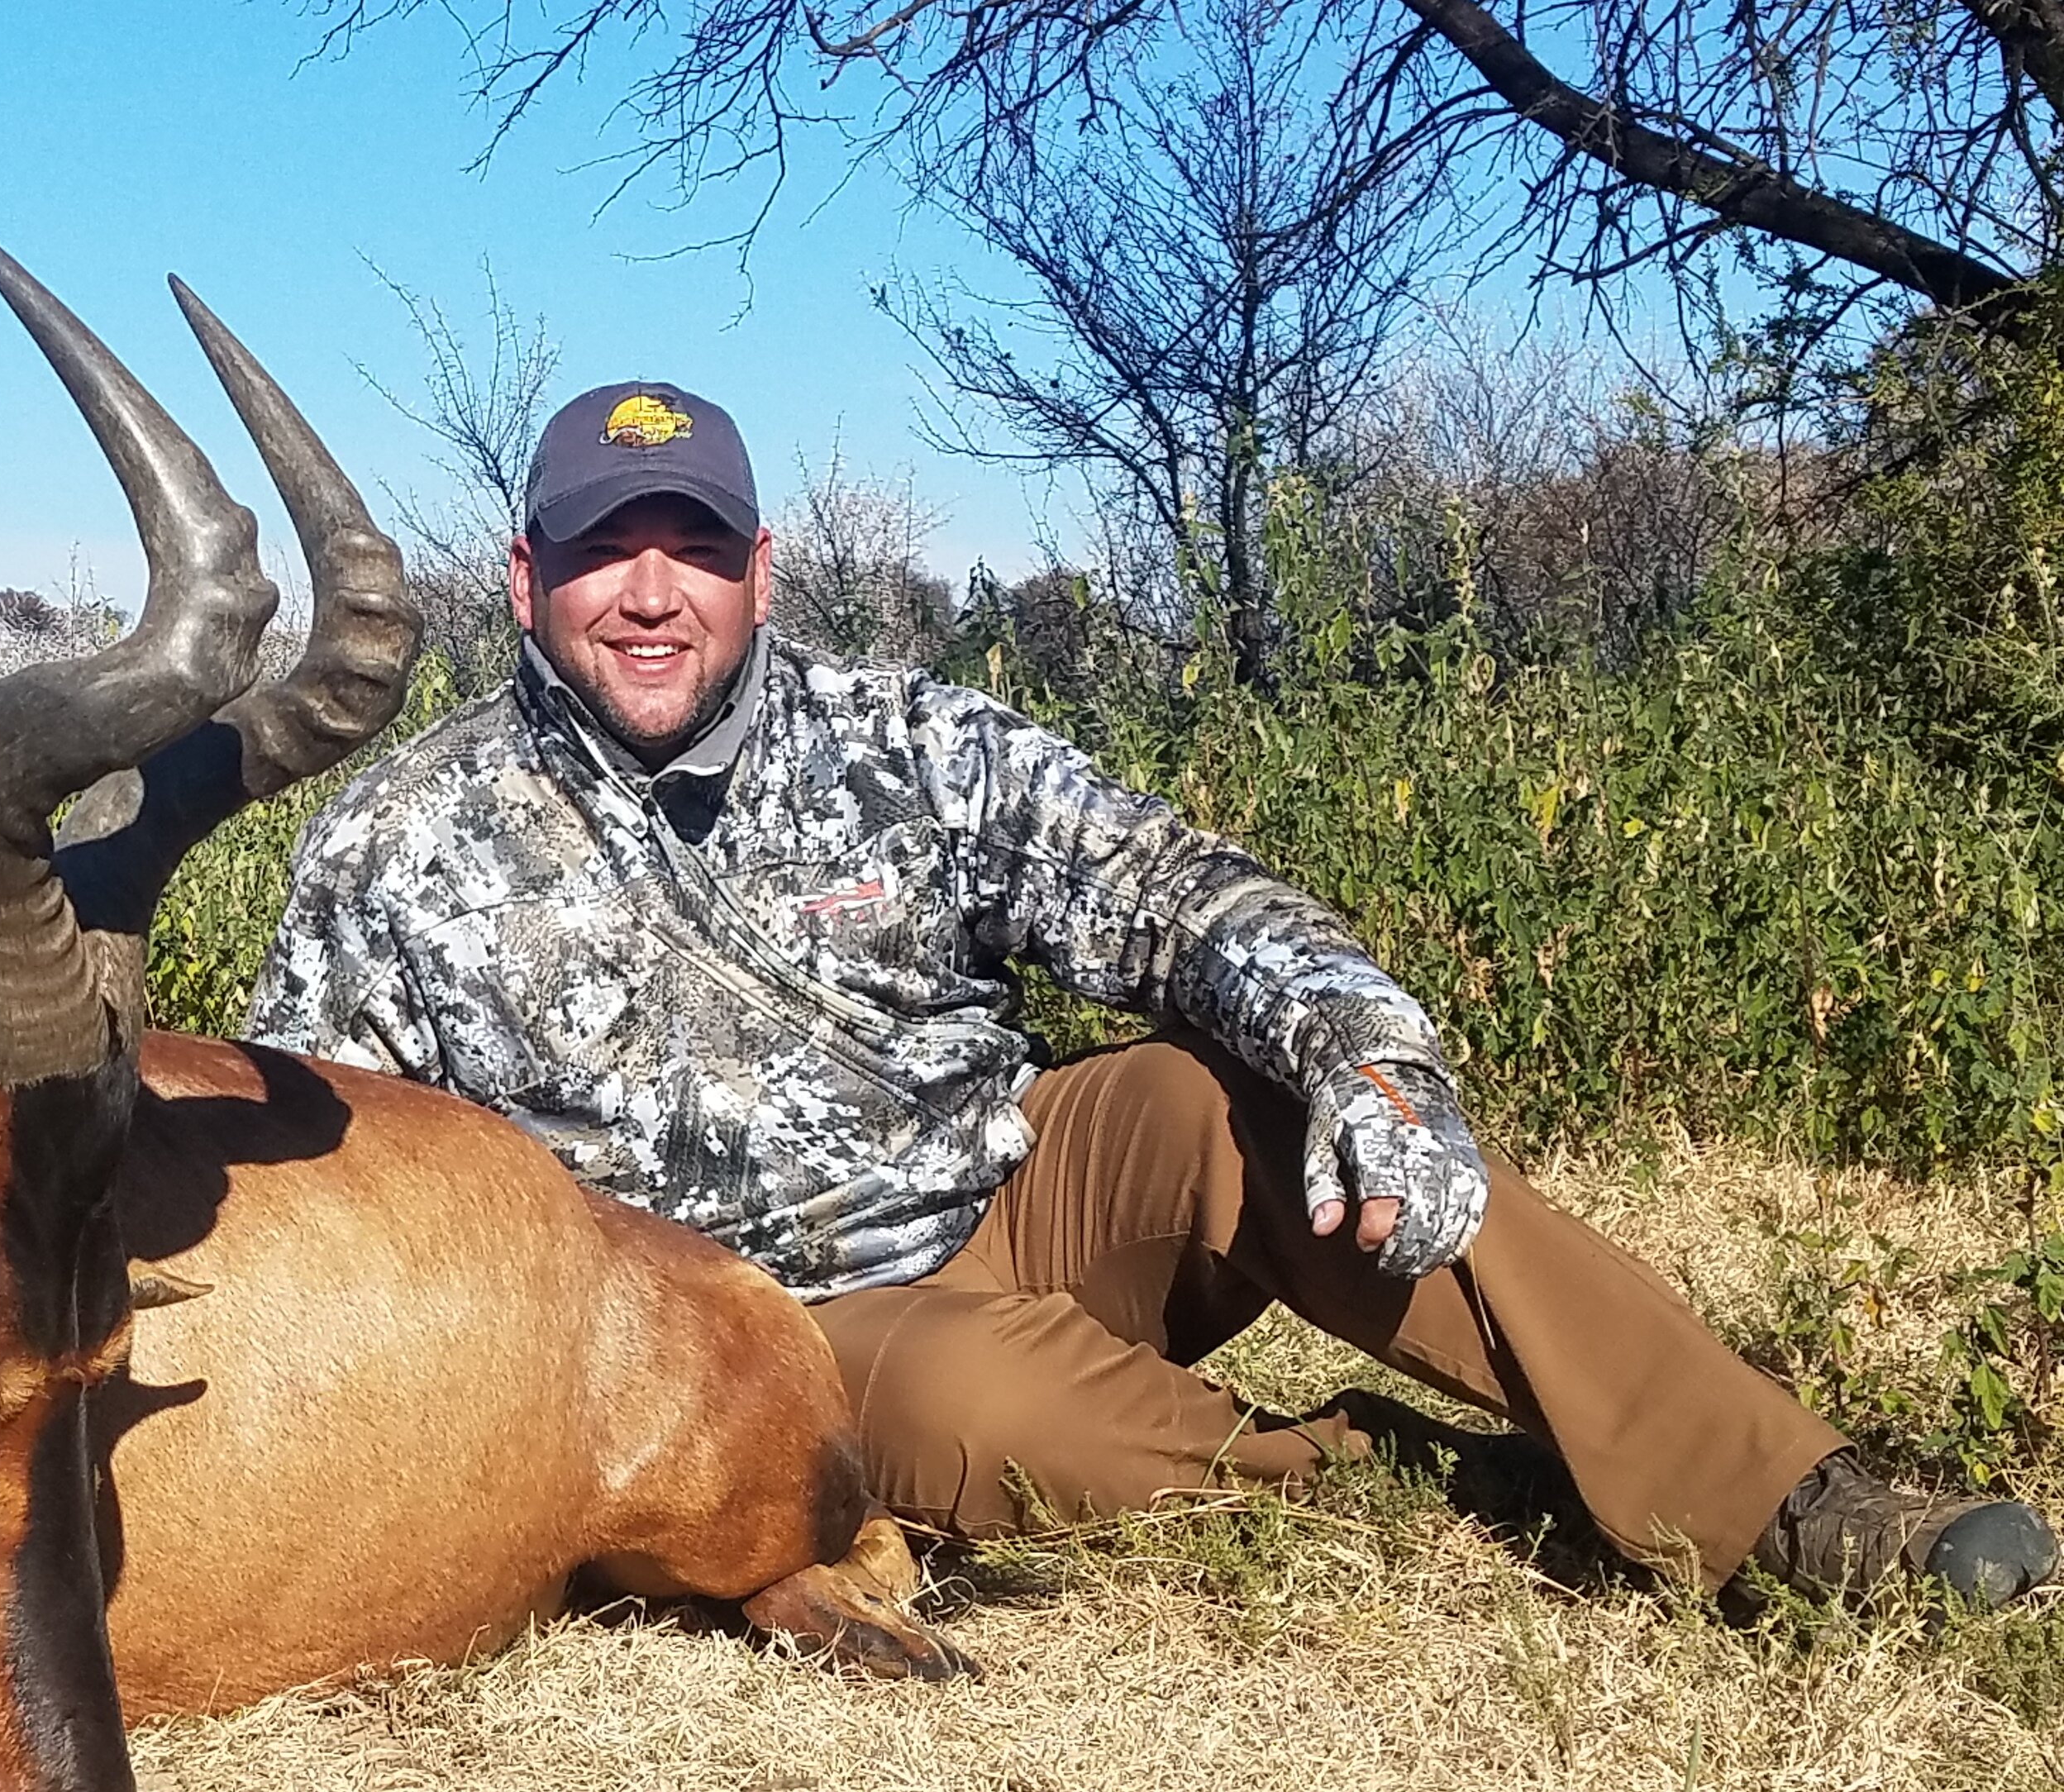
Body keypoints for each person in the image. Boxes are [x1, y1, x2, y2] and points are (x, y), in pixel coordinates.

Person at [245, 378, 2058, 1606]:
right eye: (602, 552)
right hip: (755, 1325)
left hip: (1023, 1186)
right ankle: (1409, 1483)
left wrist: (1373, 1053)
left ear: (759, 569)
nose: (651, 594)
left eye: (694, 547)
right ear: (526, 576)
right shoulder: (399, 842)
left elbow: (1180, 895)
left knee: (1220, 1097)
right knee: (976, 1410)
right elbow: (319, 1190)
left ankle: (1791, 1499)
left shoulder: (909, 740)